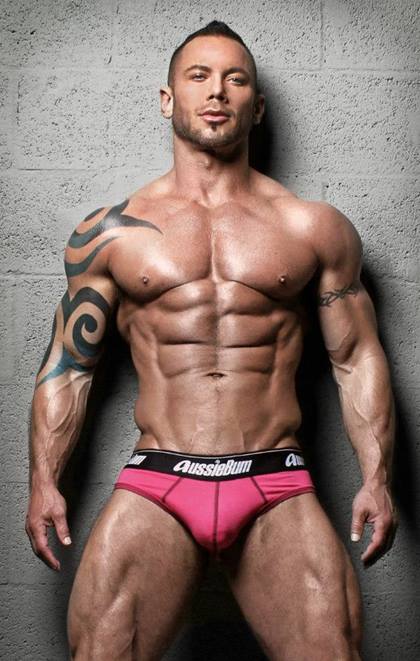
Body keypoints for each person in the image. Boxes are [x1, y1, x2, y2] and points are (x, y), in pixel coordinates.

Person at [25, 20, 398, 661]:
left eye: (235, 79)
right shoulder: (110, 235)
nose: (217, 91)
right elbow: (70, 366)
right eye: (198, 76)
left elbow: (356, 357)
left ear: (258, 106)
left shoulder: (313, 227)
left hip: (275, 480)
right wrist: (43, 480)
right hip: (159, 479)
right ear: (167, 98)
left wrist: (377, 477)